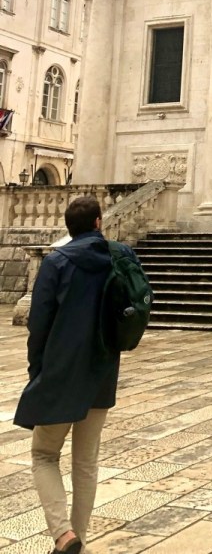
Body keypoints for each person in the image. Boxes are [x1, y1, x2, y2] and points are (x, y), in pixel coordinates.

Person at [14, 196, 143, 554]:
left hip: (60, 371)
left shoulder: (56, 262)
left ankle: (63, 535)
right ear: (99, 223)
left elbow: (38, 324)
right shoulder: (122, 256)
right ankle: (78, 542)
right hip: (102, 369)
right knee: (86, 463)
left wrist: (37, 371)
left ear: (69, 228)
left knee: (44, 455)